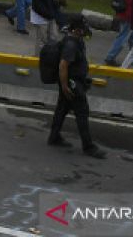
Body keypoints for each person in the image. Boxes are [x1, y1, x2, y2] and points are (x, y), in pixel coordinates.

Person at [47, 16, 106, 158]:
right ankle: (88, 146)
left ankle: (54, 137)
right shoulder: (71, 45)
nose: (85, 32)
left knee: (62, 109)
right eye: (83, 30)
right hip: (72, 84)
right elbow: (63, 65)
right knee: (82, 112)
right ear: (77, 30)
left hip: (72, 82)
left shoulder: (76, 41)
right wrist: (65, 86)